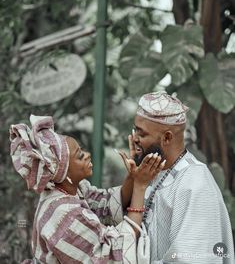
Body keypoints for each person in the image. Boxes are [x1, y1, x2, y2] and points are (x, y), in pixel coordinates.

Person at [10, 114, 165, 264]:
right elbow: (116, 256)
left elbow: (106, 205)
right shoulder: (64, 216)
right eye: (79, 156)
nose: (88, 155)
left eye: (82, 150)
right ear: (63, 170)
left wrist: (133, 174)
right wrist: (140, 186)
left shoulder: (71, 190)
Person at [120, 91, 235, 264]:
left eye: (141, 134)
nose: (133, 139)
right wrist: (134, 177)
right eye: (134, 130)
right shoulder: (150, 171)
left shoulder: (196, 183)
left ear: (167, 137)